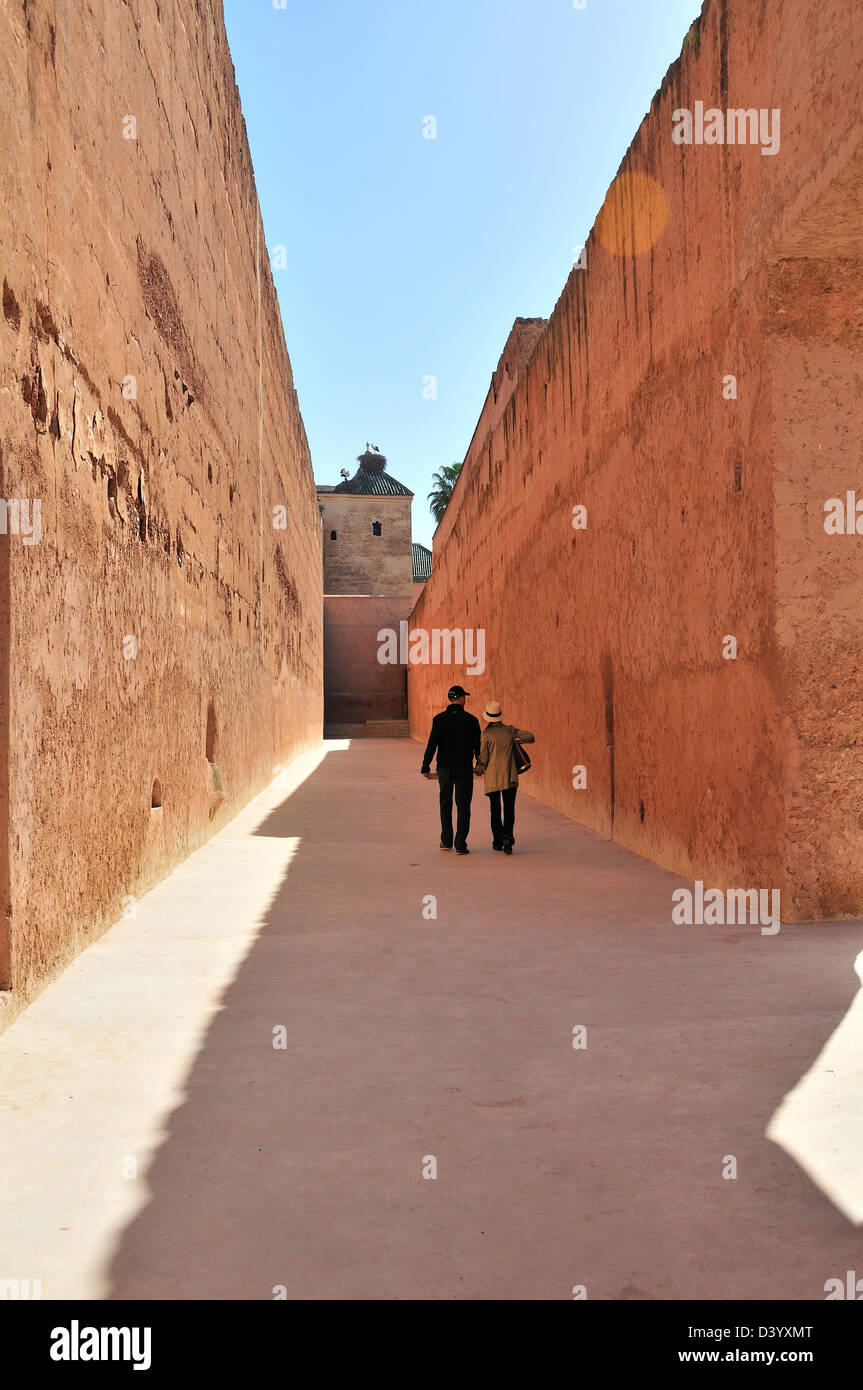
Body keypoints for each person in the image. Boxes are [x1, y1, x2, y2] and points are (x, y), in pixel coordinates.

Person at [421, 685, 481, 855]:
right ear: (461, 698)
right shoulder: (471, 720)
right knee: (463, 806)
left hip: (444, 769)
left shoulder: (439, 719)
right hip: (463, 768)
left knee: (445, 803)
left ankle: (447, 840)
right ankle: (460, 844)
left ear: (450, 699)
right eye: (464, 697)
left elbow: (432, 744)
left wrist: (425, 766)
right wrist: (479, 765)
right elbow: (478, 746)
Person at [474, 700, 535, 854]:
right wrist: (516, 739)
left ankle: (497, 842)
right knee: (509, 810)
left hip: (493, 779)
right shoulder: (510, 730)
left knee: (495, 810)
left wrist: (478, 767)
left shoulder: (486, 735)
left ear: (488, 718)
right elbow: (530, 736)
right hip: (510, 777)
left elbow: (483, 759)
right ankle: (507, 837)